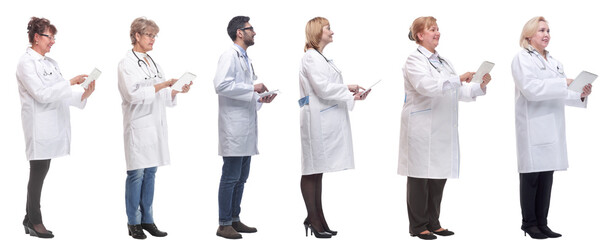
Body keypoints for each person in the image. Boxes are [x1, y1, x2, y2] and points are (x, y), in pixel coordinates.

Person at [398, 16, 491, 240]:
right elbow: (427, 86)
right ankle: (418, 226)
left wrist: (479, 85)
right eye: (432, 29)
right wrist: (458, 79)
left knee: (438, 176)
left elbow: (456, 91)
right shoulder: (414, 60)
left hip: (440, 128)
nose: (437, 33)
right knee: (420, 177)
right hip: (421, 127)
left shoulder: (443, 61)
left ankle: (433, 222)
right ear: (420, 35)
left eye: (438, 29)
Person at [511, 16, 592, 239]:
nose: (546, 34)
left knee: (547, 176)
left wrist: (579, 94)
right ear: (529, 35)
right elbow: (531, 89)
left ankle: (542, 223)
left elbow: (562, 93)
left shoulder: (555, 62)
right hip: (532, 125)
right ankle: (529, 224)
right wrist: (564, 82)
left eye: (548, 30)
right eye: (541, 31)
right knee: (532, 176)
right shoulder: (522, 59)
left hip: (552, 126)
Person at [16, 16, 96, 239]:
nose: (53, 41)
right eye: (49, 37)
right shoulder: (26, 63)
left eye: (53, 37)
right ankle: (35, 220)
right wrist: (69, 82)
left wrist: (83, 94)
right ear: (36, 37)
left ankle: (27, 218)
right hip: (38, 126)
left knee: (41, 171)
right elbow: (41, 94)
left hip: (54, 125)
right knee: (38, 172)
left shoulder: (52, 63)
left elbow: (60, 94)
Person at [118, 17, 192, 239]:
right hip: (139, 128)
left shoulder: (153, 62)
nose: (153, 39)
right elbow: (132, 94)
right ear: (137, 36)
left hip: (155, 128)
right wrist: (165, 83)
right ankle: (133, 223)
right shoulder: (126, 64)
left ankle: (148, 220)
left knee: (151, 173)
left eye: (154, 35)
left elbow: (162, 95)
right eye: (149, 35)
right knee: (136, 175)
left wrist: (176, 90)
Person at [299, 16, 370, 239]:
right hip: (316, 120)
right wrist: (348, 93)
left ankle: (317, 218)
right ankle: (313, 218)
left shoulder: (320, 57)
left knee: (318, 169)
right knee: (312, 169)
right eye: (328, 28)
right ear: (317, 32)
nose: (332, 31)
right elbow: (322, 88)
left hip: (324, 119)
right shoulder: (311, 57)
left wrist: (348, 89)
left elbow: (327, 85)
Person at [213, 16, 276, 239]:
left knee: (241, 178)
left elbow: (243, 92)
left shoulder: (245, 58)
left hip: (246, 128)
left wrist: (260, 98)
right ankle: (223, 224)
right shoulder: (229, 55)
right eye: (251, 29)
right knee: (230, 177)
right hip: (234, 128)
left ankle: (234, 219)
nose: (254, 32)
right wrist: (253, 87)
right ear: (240, 32)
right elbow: (221, 86)